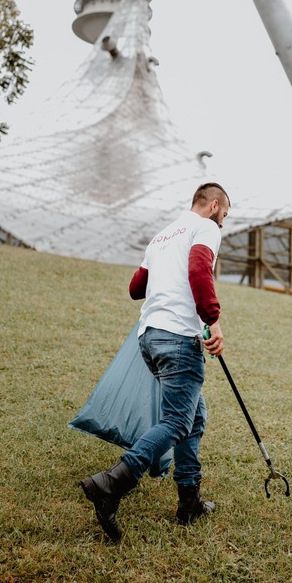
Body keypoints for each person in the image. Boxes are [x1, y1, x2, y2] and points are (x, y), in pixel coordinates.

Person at [80, 182, 230, 541]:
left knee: (194, 416)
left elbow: (136, 287)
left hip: (150, 337)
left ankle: (189, 501)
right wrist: (213, 319)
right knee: (179, 420)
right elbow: (198, 271)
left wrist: (165, 274)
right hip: (179, 338)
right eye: (224, 215)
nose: (223, 223)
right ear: (212, 206)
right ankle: (111, 484)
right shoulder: (205, 228)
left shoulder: (162, 236)